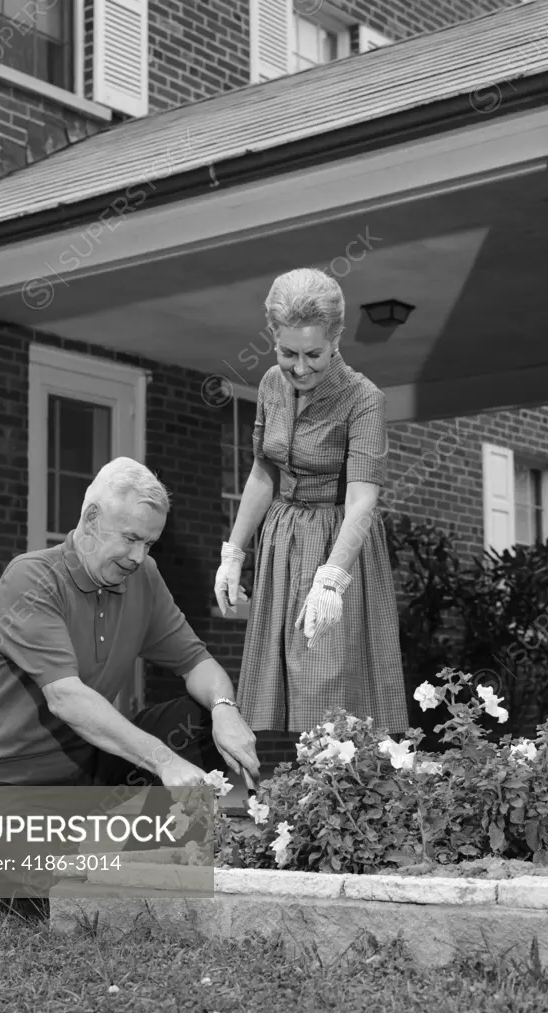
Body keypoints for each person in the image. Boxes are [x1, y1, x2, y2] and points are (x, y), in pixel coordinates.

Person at [0, 456, 259, 920]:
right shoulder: (31, 578)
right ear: (92, 519)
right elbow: (66, 698)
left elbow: (197, 661)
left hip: (85, 764)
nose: (139, 556)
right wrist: (163, 760)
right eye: (131, 538)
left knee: (198, 721)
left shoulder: (143, 578)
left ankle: (155, 881)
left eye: (149, 543)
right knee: (22, 915)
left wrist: (224, 708)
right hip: (3, 780)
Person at [215, 268, 409, 736]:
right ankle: (285, 798)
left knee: (327, 683)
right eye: (287, 353)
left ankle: (336, 796)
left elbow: (363, 501)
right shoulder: (269, 386)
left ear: (337, 339)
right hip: (283, 541)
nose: (300, 368)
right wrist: (234, 552)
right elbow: (264, 471)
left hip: (336, 543)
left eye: (314, 354)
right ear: (273, 337)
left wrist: (332, 578)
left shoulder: (363, 399)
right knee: (277, 683)